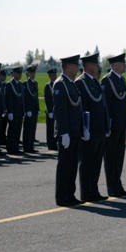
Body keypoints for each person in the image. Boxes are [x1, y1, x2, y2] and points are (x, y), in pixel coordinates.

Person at [75, 53, 109, 202]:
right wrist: (85, 129)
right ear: (88, 66)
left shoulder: (94, 82)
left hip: (99, 129)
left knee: (96, 163)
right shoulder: (81, 83)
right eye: (96, 64)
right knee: (87, 162)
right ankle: (86, 192)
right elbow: (83, 108)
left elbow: (102, 106)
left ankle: (93, 190)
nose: (98, 67)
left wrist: (106, 125)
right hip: (90, 130)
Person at [100, 53, 126, 197]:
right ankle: (112, 187)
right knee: (111, 157)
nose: (124, 65)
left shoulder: (121, 79)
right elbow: (106, 105)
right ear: (115, 65)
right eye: (122, 63)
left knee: (119, 157)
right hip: (112, 126)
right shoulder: (107, 80)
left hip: (121, 124)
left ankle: (118, 184)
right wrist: (107, 124)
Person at [54, 55, 84, 207]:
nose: (77, 68)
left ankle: (70, 194)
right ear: (69, 67)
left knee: (72, 166)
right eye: (75, 65)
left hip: (75, 132)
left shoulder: (71, 84)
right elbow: (60, 111)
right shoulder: (60, 84)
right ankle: (62, 196)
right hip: (67, 133)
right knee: (65, 165)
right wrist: (64, 132)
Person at [5, 67, 25, 155]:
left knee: (18, 130)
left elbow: (22, 99)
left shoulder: (20, 84)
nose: (19, 75)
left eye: (20, 73)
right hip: (13, 112)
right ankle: (10, 148)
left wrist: (23, 110)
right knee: (12, 131)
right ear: (13, 74)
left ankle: (16, 147)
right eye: (17, 73)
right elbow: (8, 99)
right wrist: (9, 112)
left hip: (19, 111)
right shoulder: (10, 84)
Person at [22, 66, 39, 153]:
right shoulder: (25, 84)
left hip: (34, 110)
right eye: (31, 73)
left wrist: (38, 109)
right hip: (29, 110)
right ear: (27, 73)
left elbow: (36, 98)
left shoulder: (35, 83)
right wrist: (26, 110)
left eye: (34, 73)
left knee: (33, 129)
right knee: (27, 129)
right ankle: (26, 147)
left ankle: (31, 146)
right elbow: (24, 99)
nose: (33, 75)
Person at [44, 68, 58, 151]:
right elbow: (47, 99)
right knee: (50, 128)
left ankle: (55, 143)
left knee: (55, 128)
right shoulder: (48, 86)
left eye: (55, 75)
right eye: (52, 75)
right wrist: (49, 110)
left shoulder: (57, 84)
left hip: (56, 110)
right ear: (49, 76)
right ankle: (50, 144)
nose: (54, 77)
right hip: (50, 111)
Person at [0, 69, 9, 146]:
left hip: (5, 108)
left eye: (5, 75)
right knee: (0, 126)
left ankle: (3, 138)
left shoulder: (5, 84)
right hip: (0, 108)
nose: (5, 77)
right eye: (3, 75)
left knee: (4, 125)